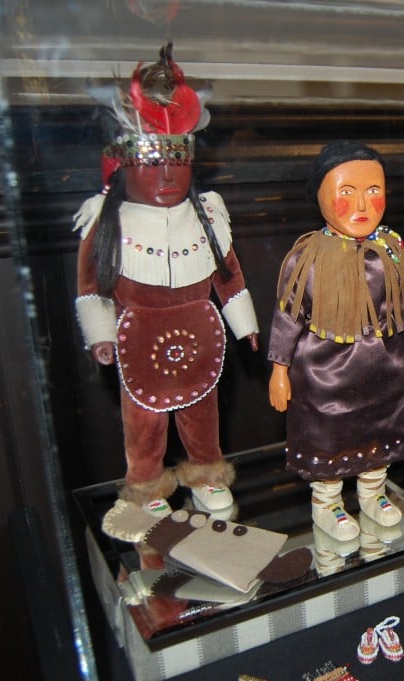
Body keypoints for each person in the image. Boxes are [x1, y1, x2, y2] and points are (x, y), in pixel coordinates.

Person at [74, 45, 259, 517]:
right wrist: (100, 336)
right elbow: (92, 286)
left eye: (177, 164)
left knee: (203, 413)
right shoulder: (108, 222)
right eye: (152, 165)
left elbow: (229, 276)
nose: (167, 176)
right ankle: (146, 484)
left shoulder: (209, 215)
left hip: (200, 338)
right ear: (122, 169)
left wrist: (245, 325)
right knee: (144, 421)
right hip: (139, 342)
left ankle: (207, 472)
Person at [268, 141, 404, 542]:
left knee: (380, 434)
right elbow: (288, 317)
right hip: (327, 375)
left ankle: (373, 493)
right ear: (320, 196)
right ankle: (328, 503)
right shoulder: (307, 257)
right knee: (330, 440)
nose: (362, 203)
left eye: (373, 190)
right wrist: (279, 369)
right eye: (346, 191)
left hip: (385, 370)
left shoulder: (392, 251)